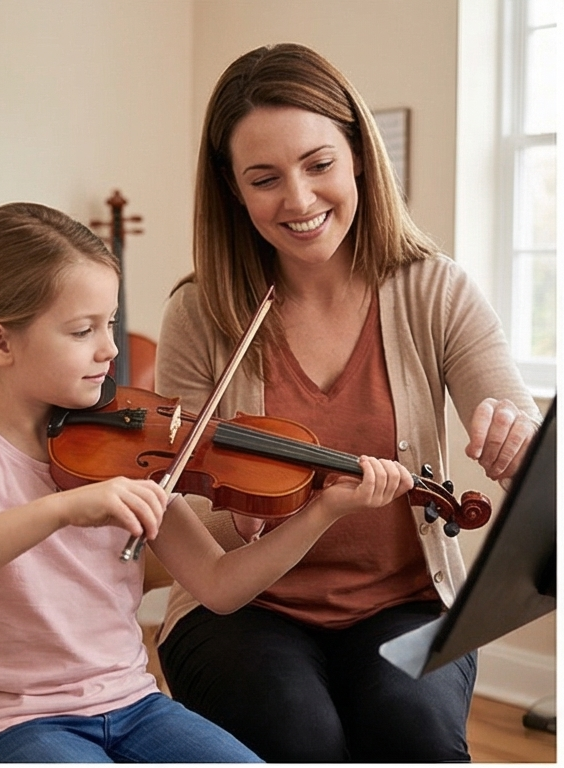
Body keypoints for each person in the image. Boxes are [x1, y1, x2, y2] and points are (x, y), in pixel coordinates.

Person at [0, 201, 412, 764]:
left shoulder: (126, 447)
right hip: (13, 725)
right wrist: (62, 510)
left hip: (135, 705)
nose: (110, 348)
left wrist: (322, 512)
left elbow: (218, 584)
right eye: (82, 330)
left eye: (108, 324)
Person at [154, 43, 542, 763]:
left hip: (406, 603)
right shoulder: (200, 312)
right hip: (244, 609)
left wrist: (520, 450)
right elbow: (177, 499)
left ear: (360, 154)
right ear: (233, 191)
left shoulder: (436, 290)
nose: (298, 201)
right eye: (264, 179)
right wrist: (241, 510)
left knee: (413, 735)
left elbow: (534, 460)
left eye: (319, 164)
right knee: (301, 736)